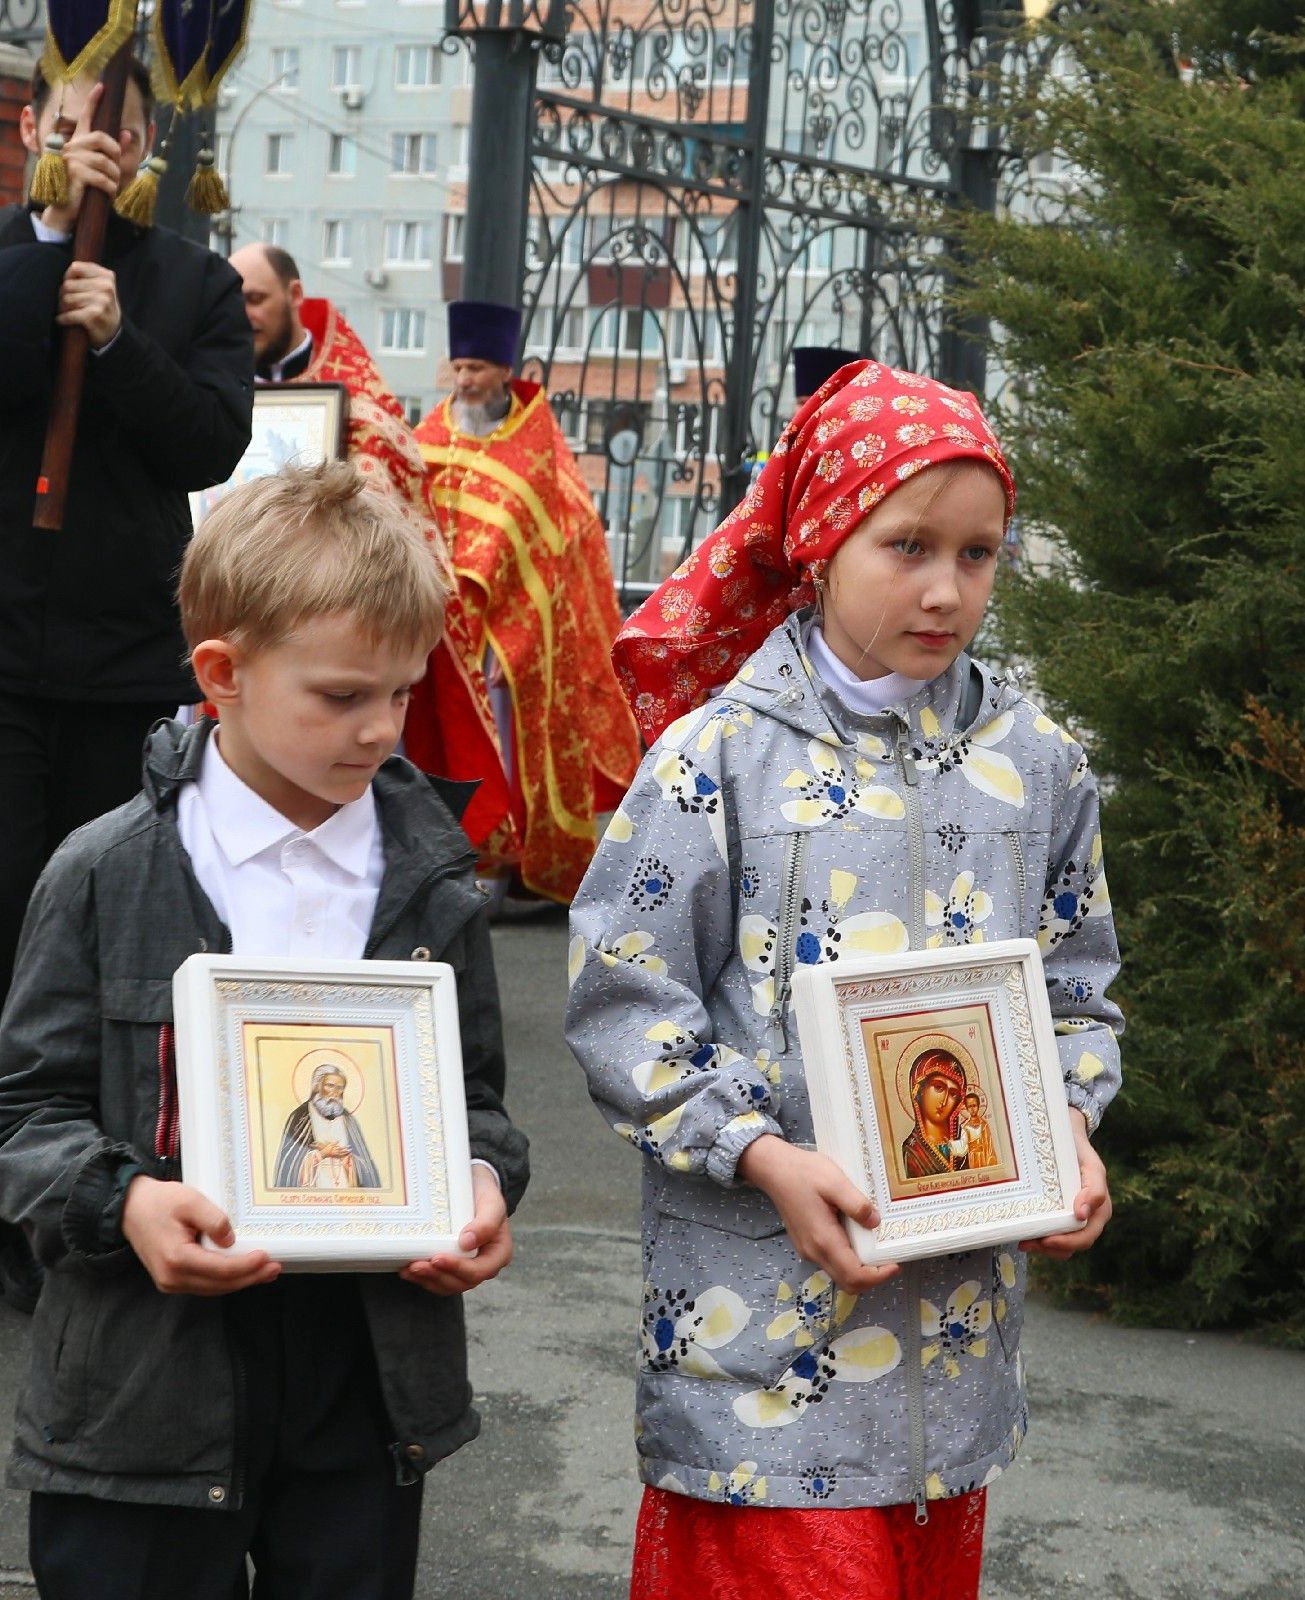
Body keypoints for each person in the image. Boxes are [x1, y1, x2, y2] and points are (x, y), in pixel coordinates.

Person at [565, 362, 1122, 1599]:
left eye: (978, 553)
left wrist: (1069, 1125)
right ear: (819, 542)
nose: (945, 588)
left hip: (952, 1383)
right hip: (761, 1372)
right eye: (907, 545)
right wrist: (762, 1153)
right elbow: (623, 999)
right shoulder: (718, 758)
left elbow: (1076, 986)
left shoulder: (1038, 765)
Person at [0, 462, 528, 1600]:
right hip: (146, 1383)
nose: (380, 728)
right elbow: (10, 1120)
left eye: (402, 692)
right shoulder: (106, 871)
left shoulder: (433, 877)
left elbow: (476, 1101)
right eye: (341, 695)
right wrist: (127, 1201)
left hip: (365, 1375)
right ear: (222, 673)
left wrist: (478, 1181)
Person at [0, 64, 254, 1314]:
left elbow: (208, 439)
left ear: (148, 142)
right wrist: (50, 243)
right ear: (33, 131)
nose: (94, 146)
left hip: (122, 653)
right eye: (66, 126)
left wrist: (115, 339)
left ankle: (74, 1199)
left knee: (104, 923)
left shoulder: (193, 283)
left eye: (117, 129)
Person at [227, 243, 508, 852]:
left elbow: (388, 499)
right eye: (231, 300)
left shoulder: (356, 396)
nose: (242, 314)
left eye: (255, 299)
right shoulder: (213, 377)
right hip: (239, 614)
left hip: (333, 621)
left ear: (294, 297)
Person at [414, 300, 637, 903]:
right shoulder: (430, 435)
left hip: (508, 631)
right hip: (434, 625)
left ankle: (505, 857)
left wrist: (514, 625)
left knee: (503, 744)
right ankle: (446, 856)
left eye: (477, 369)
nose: (465, 380)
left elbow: (561, 533)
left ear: (504, 372)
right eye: (459, 368)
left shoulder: (534, 443)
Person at [272, 1056, 383, 1190]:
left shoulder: (348, 1120)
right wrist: (323, 1153)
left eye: (340, 1088)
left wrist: (347, 1158)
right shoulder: (300, 1117)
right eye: (330, 1085)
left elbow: (366, 1166)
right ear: (317, 1086)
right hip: (313, 1194)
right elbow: (289, 1165)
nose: (335, 1092)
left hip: (345, 1192)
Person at [898, 1048, 971, 1180]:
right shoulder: (913, 1150)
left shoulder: (963, 1138)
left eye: (953, 1094)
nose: (944, 1101)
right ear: (919, 1090)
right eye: (938, 1087)